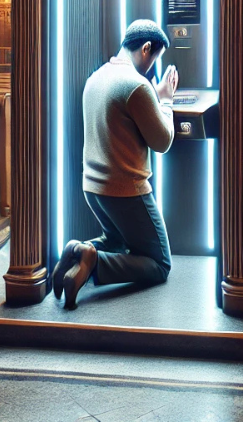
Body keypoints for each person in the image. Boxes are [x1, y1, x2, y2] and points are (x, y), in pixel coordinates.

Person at [53, 19, 179, 309]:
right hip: (125, 191)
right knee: (159, 264)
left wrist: (154, 96)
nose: (152, 68)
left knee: (116, 241)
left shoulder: (98, 77)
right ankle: (94, 261)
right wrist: (167, 101)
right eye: (154, 59)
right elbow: (162, 141)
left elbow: (122, 112)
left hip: (93, 188)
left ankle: (77, 251)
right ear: (146, 49)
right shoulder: (137, 85)